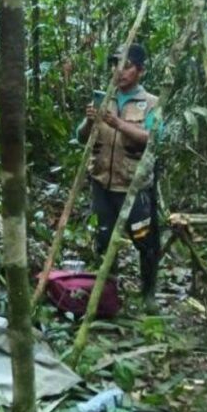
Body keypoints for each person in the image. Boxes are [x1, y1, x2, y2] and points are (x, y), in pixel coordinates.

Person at [77, 44, 161, 313]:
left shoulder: (151, 103)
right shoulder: (105, 98)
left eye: (126, 66)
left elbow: (154, 140)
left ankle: (148, 294)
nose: (119, 71)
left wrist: (119, 124)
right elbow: (81, 137)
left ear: (140, 71)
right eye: (115, 65)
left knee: (145, 242)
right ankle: (109, 296)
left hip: (134, 186)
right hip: (102, 182)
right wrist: (91, 121)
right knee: (104, 240)